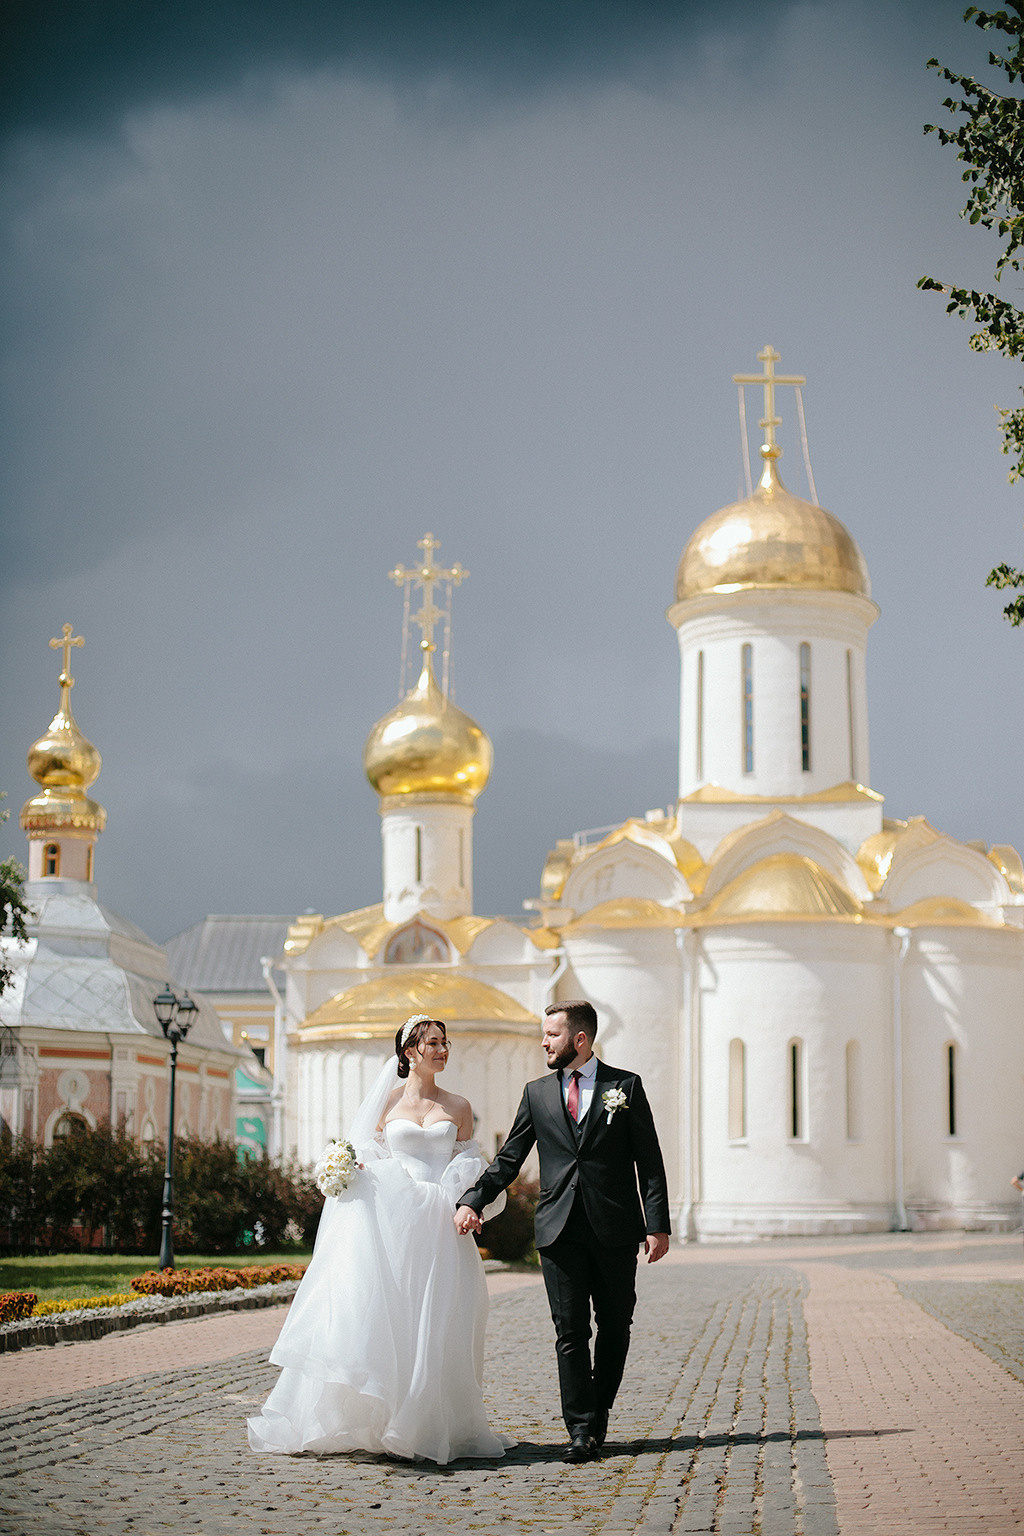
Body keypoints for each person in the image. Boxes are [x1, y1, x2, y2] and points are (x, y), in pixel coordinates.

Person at [248, 1015, 511, 1464]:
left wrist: (471, 1205)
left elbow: (471, 1169)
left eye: (445, 1042)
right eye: (433, 1043)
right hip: (394, 1220)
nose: (443, 1050)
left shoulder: (460, 1106)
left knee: (439, 1318)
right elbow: (368, 1156)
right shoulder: (385, 1104)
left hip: (441, 1224)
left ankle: (427, 1422)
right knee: (389, 1312)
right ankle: (382, 1415)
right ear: (410, 1052)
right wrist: (355, 1172)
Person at [455, 999, 670, 1464]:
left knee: (615, 1325)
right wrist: (472, 1198)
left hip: (614, 1227)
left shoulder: (625, 1086)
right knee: (569, 1331)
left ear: (579, 1039)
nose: (543, 1043)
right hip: (558, 1230)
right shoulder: (537, 1093)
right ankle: (581, 1430)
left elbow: (648, 1162)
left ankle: (599, 1411)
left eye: (551, 1035)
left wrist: (657, 1225)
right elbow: (509, 1158)